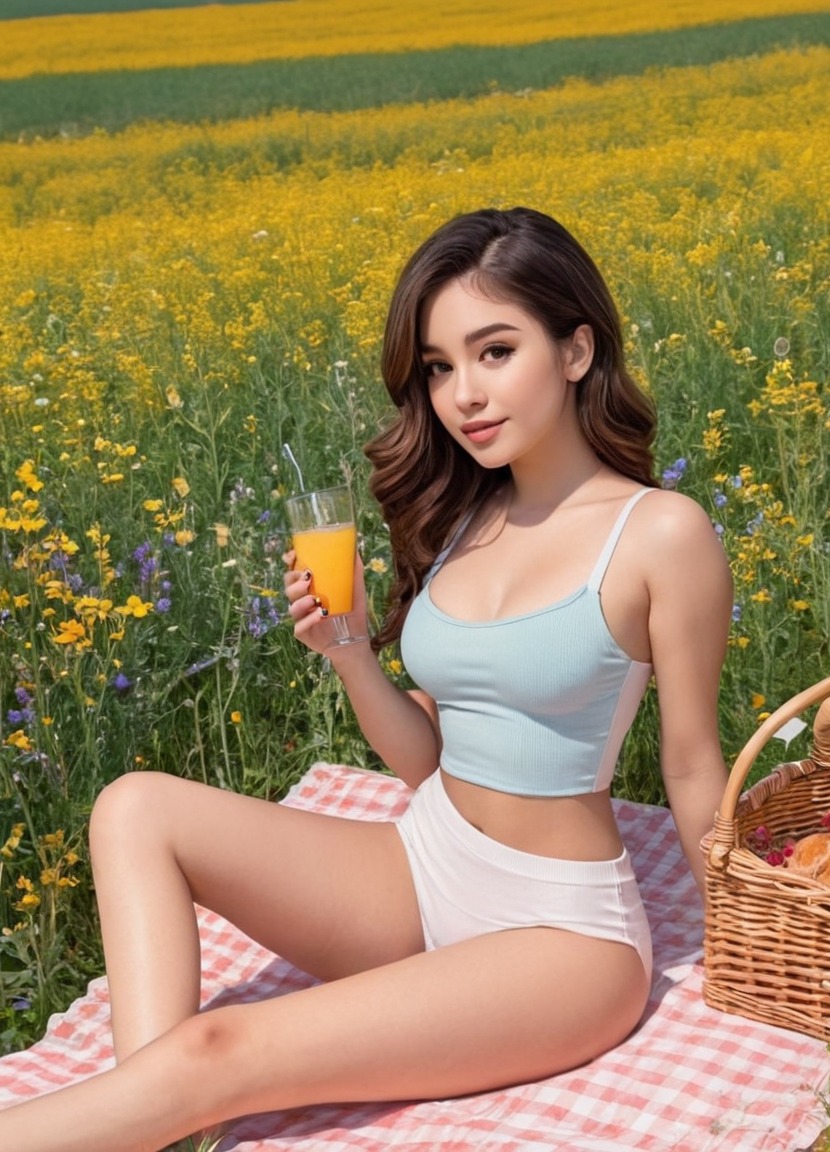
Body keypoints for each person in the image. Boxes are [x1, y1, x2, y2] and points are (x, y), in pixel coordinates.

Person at [0, 207, 732, 1151]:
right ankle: (157, 1117)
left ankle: (156, 1102)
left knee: (222, 1048)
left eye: (495, 351)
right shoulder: (466, 516)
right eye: (438, 366)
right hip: (423, 866)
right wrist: (349, 654)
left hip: (561, 936)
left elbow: (691, 764)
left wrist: (735, 941)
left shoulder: (660, 533)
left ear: (577, 349)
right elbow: (428, 761)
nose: (463, 393)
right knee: (135, 805)